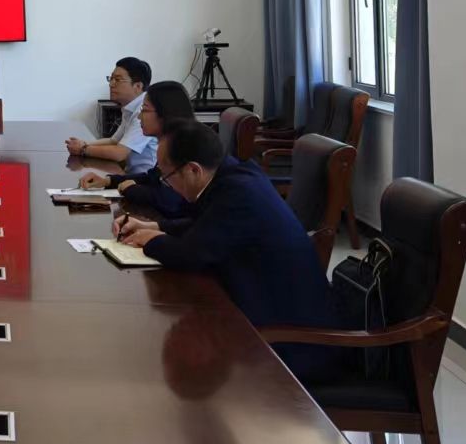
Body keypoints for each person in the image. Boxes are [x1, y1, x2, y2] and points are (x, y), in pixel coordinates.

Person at [115, 121, 344, 384]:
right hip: (263, 313)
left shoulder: (238, 194)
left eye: (167, 178)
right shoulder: (236, 174)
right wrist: (154, 227)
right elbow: (208, 225)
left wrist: (150, 241)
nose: (167, 185)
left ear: (193, 170)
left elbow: (191, 255)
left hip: (288, 341)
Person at [79, 80, 195, 217]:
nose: (139, 117)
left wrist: (133, 190)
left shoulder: (187, 146)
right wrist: (108, 181)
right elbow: (152, 178)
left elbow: (172, 201)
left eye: (144, 110)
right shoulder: (170, 141)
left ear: (165, 113)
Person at [65, 56, 156, 173]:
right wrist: (84, 144)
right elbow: (113, 141)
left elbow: (119, 153)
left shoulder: (143, 111)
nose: (111, 84)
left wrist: (83, 149)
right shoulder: (130, 108)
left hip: (145, 178)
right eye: (111, 79)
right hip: (130, 174)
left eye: (117, 80)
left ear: (138, 86)